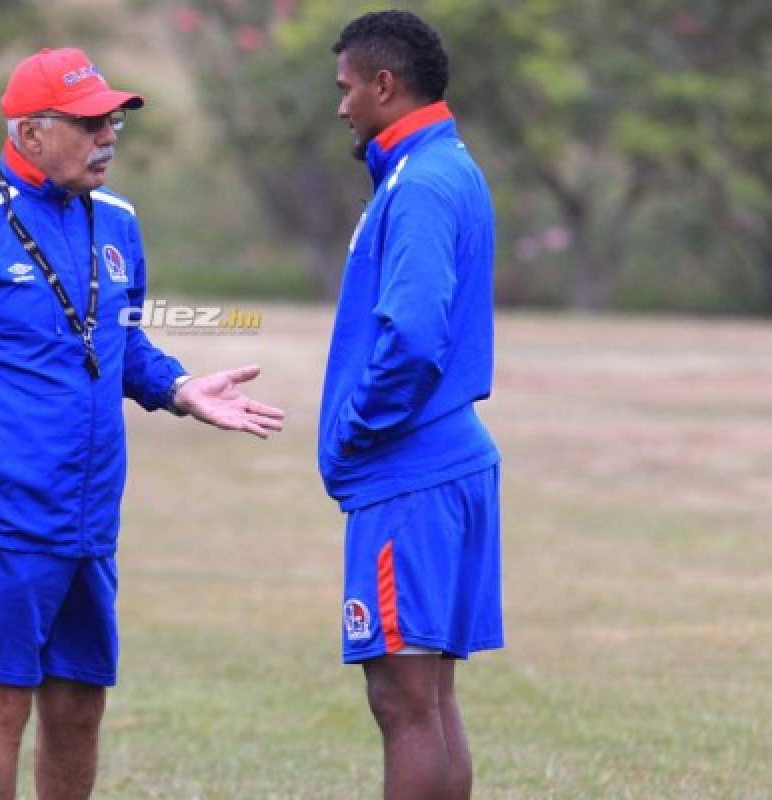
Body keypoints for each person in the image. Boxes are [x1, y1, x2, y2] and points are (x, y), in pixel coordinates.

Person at [0, 47, 284, 800]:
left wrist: (177, 387)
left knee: (80, 705)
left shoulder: (117, 220)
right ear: (31, 131)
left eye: (113, 118)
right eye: (88, 122)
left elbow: (118, 341)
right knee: (0, 702)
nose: (108, 134)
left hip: (86, 516)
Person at [318, 12, 503, 800]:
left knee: (403, 702)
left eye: (348, 88)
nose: (342, 107)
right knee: (427, 701)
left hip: (411, 475)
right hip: (443, 466)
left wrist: (357, 425)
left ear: (385, 86)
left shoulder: (423, 181)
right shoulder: (436, 165)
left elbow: (416, 332)